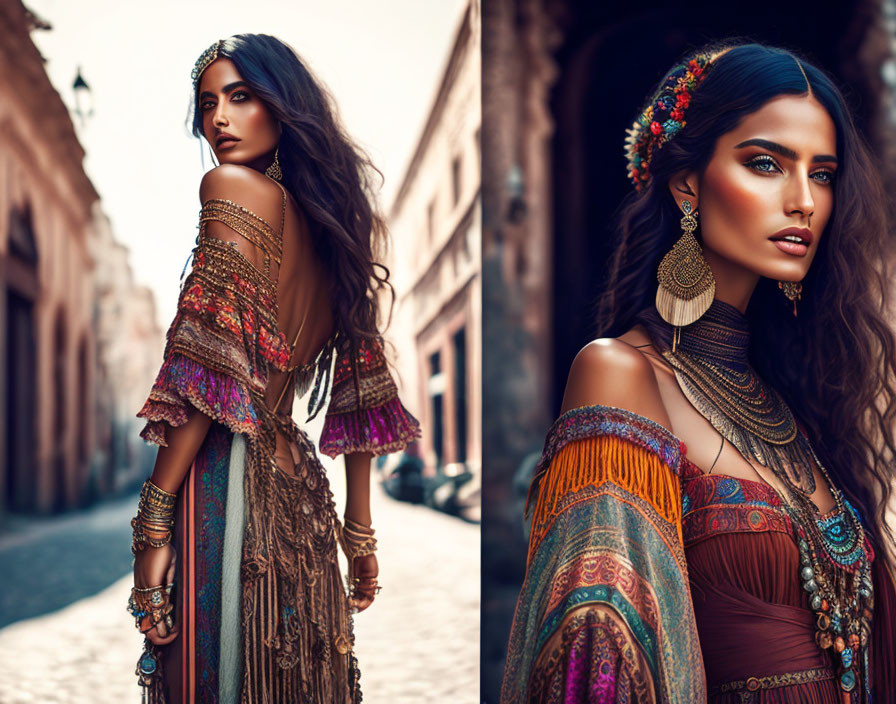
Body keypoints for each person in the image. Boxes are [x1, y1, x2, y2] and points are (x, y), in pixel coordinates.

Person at [501, 42, 896, 703]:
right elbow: (601, 654)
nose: (803, 201)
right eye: (766, 163)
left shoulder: (794, 401)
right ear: (686, 181)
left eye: (822, 173)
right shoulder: (620, 373)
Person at [127, 34, 420, 704]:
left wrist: (153, 521)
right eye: (207, 105)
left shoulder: (231, 188)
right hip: (305, 499)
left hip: (228, 490)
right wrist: (359, 534)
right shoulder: (338, 233)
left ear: (282, 107)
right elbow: (362, 389)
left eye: (241, 97)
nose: (219, 120)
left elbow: (210, 366)